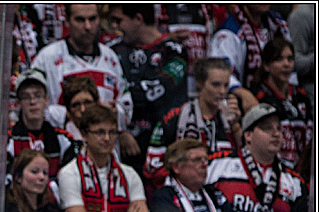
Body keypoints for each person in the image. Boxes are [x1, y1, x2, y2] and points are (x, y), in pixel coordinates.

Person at [31, 4, 134, 150]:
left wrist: (114, 113)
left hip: (106, 151)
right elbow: (33, 107)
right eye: (80, 20)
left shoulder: (110, 58)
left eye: (92, 19)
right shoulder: (47, 58)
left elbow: (126, 105)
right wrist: (71, 114)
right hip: (64, 148)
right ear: (67, 21)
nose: (87, 26)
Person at [107, 4, 189, 170]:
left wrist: (123, 98)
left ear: (138, 19)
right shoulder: (111, 51)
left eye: (119, 20)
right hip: (121, 147)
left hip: (163, 147)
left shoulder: (173, 50)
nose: (115, 27)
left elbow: (158, 89)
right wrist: (119, 131)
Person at [143, 58, 243, 189]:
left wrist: (235, 125)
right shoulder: (174, 118)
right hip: (183, 193)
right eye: (216, 85)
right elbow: (152, 167)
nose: (222, 91)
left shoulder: (232, 119)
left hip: (225, 193)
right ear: (199, 83)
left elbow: (246, 160)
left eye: (226, 85)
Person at [253, 37, 312, 174]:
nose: (286, 64)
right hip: (273, 170)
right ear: (266, 65)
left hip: (301, 171)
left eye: (290, 59)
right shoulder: (259, 97)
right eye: (279, 59)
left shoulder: (301, 95)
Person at [7, 69, 77, 180]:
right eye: (26, 97)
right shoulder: (8, 139)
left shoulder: (63, 139)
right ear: (18, 103)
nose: (32, 102)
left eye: (38, 95)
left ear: (46, 100)